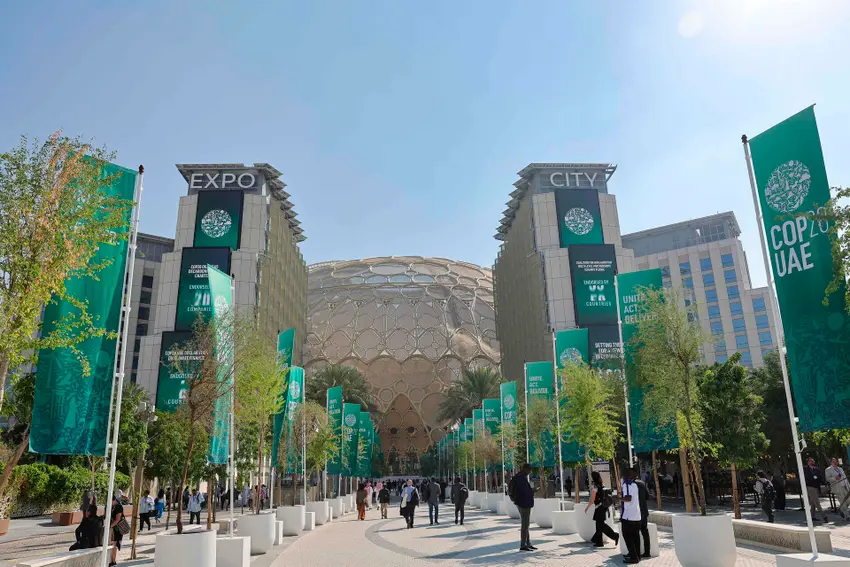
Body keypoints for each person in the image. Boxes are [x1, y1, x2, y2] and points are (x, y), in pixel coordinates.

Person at [585, 471, 619, 548]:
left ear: (593, 477)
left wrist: (587, 508)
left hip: (599, 508)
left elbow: (592, 500)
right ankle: (599, 542)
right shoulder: (602, 484)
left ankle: (614, 535)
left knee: (601, 525)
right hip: (603, 507)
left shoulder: (595, 487)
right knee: (598, 525)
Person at [510, 463, 536, 552]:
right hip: (523, 503)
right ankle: (523, 545)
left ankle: (527, 543)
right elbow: (524, 491)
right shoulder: (521, 478)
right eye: (529, 470)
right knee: (525, 525)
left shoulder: (520, 477)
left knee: (526, 524)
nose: (530, 472)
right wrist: (532, 491)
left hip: (521, 502)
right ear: (525, 469)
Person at [620, 468, 643, 564]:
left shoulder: (626, 484)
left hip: (628, 516)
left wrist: (617, 499)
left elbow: (628, 499)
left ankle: (633, 557)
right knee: (636, 536)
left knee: (627, 536)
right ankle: (637, 556)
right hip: (637, 515)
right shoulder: (635, 485)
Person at [633, 467, 651, 558]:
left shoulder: (631, 485)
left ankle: (635, 553)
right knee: (645, 532)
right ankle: (647, 552)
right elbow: (647, 497)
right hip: (644, 511)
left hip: (636, 513)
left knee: (635, 533)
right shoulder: (642, 483)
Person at [805, 457, 828, 522]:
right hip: (810, 487)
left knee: (813, 503)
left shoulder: (816, 469)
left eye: (813, 461)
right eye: (810, 461)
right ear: (808, 462)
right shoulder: (805, 469)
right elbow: (806, 477)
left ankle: (812, 517)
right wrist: (813, 479)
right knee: (817, 502)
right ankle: (824, 517)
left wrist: (824, 483)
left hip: (816, 487)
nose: (812, 462)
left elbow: (820, 477)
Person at [109, 495, 125, 567]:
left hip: (117, 529)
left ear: (114, 500)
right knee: (113, 544)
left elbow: (117, 519)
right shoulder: (113, 506)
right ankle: (112, 560)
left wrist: (110, 526)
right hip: (113, 528)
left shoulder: (118, 507)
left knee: (115, 544)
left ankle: (113, 561)